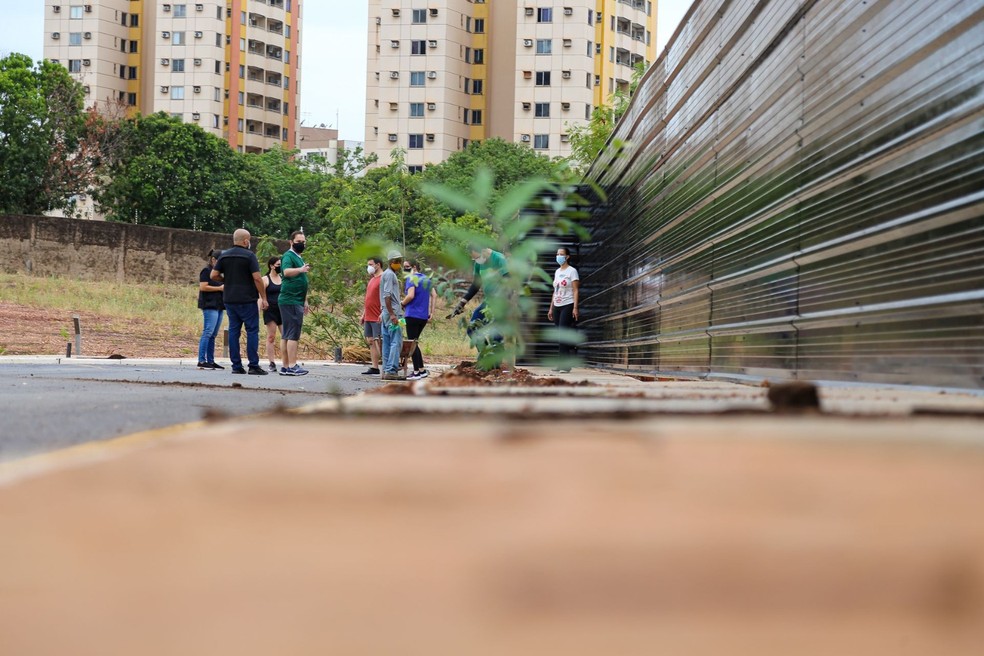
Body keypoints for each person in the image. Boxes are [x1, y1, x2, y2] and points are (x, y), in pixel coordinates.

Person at [211, 229, 268, 375]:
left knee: (234, 331)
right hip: (247, 299)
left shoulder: (224, 256)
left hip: (230, 299)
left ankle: (236, 366)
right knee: (252, 331)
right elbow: (257, 278)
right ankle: (253, 365)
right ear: (246, 241)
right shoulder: (250, 256)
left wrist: (227, 281)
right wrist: (264, 297)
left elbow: (214, 275)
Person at [449, 245, 509, 367]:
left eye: (475, 257)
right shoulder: (478, 263)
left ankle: (495, 366)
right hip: (487, 302)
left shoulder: (499, 259)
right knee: (472, 328)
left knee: (495, 334)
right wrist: (462, 303)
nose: (476, 260)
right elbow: (475, 285)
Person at [278, 230, 311, 376]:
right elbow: (286, 272)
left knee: (287, 334)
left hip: (296, 299)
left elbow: (302, 281)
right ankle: (292, 365)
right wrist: (301, 269)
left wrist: (305, 300)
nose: (301, 244)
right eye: (299, 242)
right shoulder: (288, 256)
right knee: (292, 335)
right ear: (291, 242)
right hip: (290, 299)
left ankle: (285, 367)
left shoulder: (298, 257)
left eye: (303, 242)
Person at [401, 259, 437, 380]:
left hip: (412, 315)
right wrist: (432, 312)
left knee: (412, 344)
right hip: (423, 316)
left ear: (414, 267)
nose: (404, 269)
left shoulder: (411, 278)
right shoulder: (426, 279)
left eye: (407, 266)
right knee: (415, 343)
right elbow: (434, 295)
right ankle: (421, 370)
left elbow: (410, 295)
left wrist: (402, 303)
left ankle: (416, 372)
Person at [546, 246, 580, 372]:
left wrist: (575, 308)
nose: (558, 256)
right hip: (557, 305)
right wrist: (551, 308)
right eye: (557, 254)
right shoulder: (557, 272)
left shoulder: (572, 271)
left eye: (561, 254)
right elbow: (555, 291)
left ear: (567, 257)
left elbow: (576, 290)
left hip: (568, 304)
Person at [196, 249, 225, 370]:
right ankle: (202, 360)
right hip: (209, 305)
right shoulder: (206, 271)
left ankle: (211, 360)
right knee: (208, 332)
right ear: (213, 260)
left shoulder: (220, 274)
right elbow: (203, 287)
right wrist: (219, 289)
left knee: (213, 334)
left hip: (219, 305)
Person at [379, 249, 405, 381]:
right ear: (390, 262)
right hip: (393, 314)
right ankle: (391, 370)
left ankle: (386, 369)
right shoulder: (390, 275)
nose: (398, 264)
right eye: (396, 261)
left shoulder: (386, 274)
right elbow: (387, 295)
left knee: (387, 341)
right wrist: (393, 314)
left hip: (387, 312)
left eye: (399, 261)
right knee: (396, 341)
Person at [360, 257, 384, 375]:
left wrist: (383, 312)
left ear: (378, 265)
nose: (368, 267)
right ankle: (374, 367)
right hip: (369, 315)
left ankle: (387, 364)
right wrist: (364, 314)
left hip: (377, 316)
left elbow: (386, 297)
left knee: (379, 341)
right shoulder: (372, 279)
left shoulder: (383, 278)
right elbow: (368, 298)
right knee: (370, 341)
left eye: (370, 264)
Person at [260, 255, 283, 372]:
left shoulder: (283, 278)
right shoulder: (265, 279)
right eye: (278, 265)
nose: (280, 267)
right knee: (271, 337)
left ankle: (287, 362)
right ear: (272, 266)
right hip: (271, 310)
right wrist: (260, 307)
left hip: (283, 310)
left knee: (286, 336)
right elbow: (261, 295)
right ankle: (272, 362)